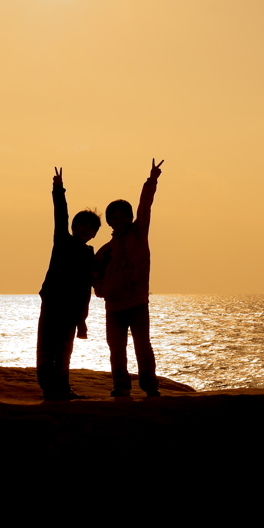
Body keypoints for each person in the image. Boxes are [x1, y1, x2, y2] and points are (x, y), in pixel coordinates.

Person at [93, 159, 163, 398]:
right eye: (114, 217)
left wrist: (151, 180)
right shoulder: (105, 250)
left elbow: (145, 206)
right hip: (113, 307)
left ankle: (150, 385)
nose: (119, 220)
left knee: (143, 346)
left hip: (137, 304)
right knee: (116, 348)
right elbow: (94, 273)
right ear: (109, 221)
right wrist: (100, 288)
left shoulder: (138, 234)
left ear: (130, 218)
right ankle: (121, 385)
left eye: (124, 216)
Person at [36, 167, 101, 401]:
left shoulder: (90, 253)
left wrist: (82, 318)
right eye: (81, 225)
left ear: (94, 234)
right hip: (54, 302)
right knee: (47, 346)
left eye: (90, 228)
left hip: (72, 309)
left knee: (65, 351)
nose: (85, 229)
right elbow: (60, 214)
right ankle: (48, 388)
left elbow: (88, 286)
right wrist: (58, 189)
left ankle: (63, 388)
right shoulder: (62, 240)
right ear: (73, 227)